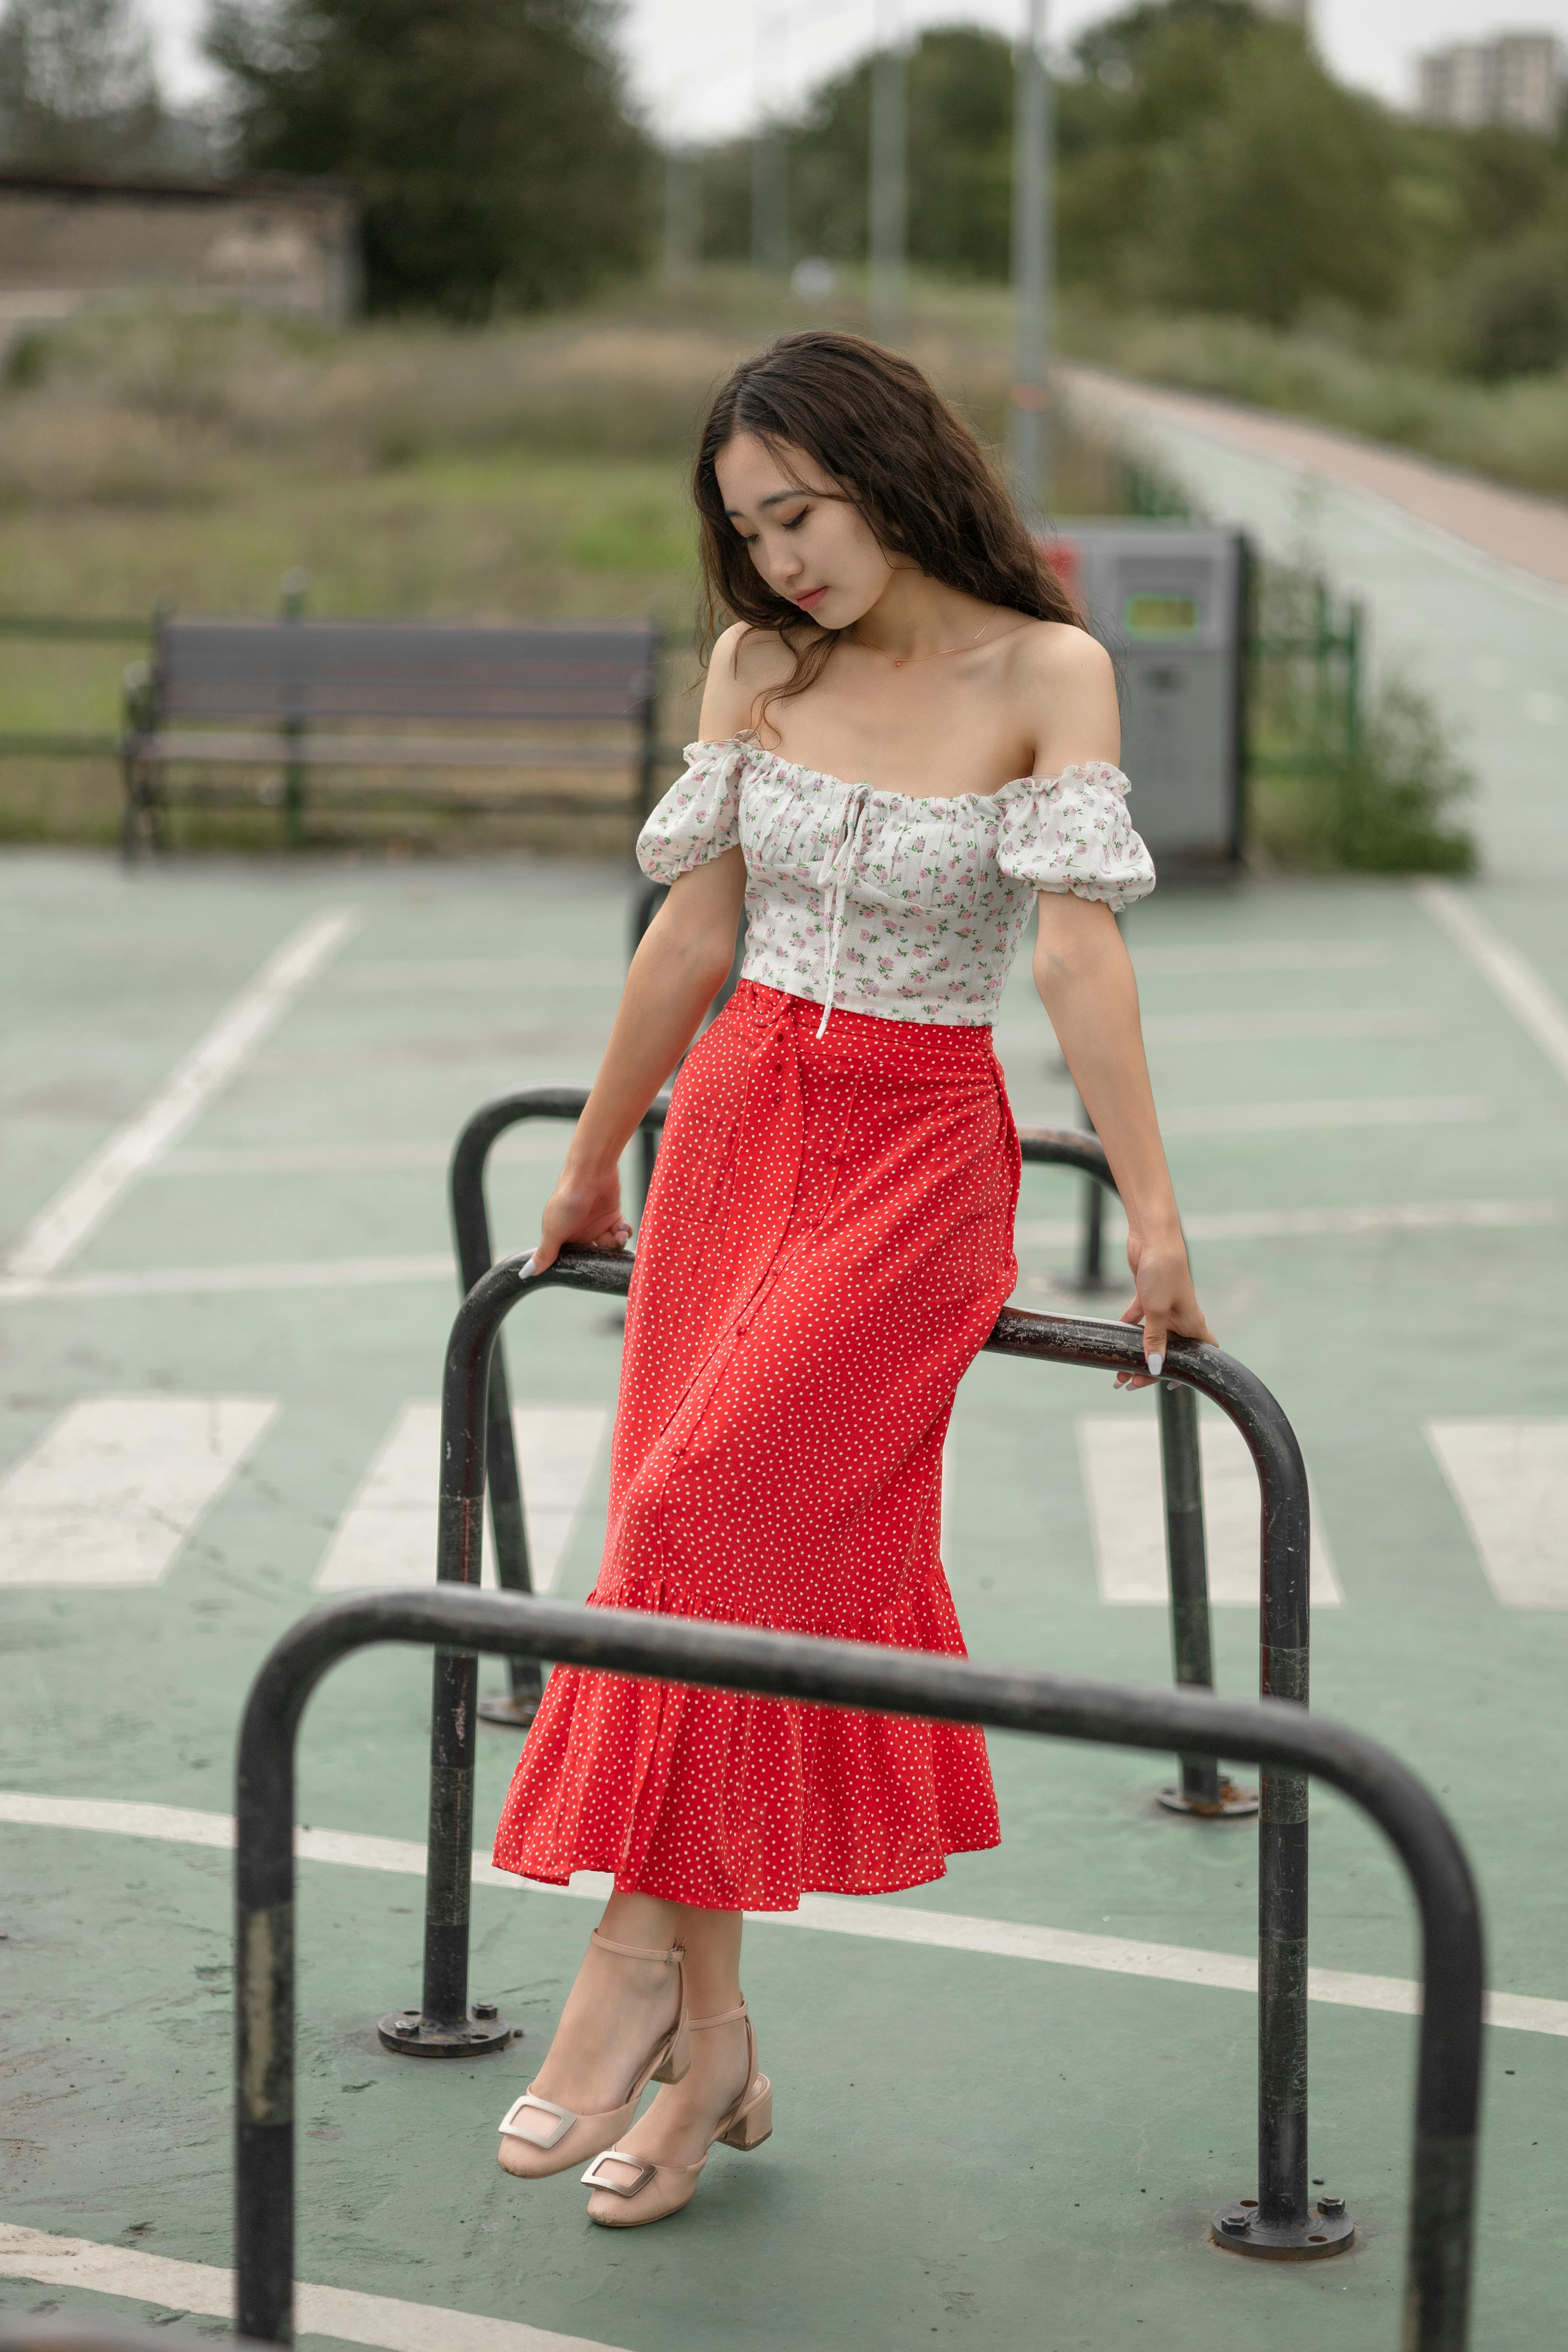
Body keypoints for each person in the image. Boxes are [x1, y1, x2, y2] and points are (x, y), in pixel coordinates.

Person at [488, 330, 1213, 2228]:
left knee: (693, 1507)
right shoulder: (755, 664)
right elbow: (692, 930)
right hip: (730, 1128)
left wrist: (1150, 1214)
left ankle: (633, 1976)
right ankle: (713, 2031)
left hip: (911, 1152)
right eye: (747, 529)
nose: (780, 559)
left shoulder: (1046, 666)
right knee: (700, 1562)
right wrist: (587, 1156)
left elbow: (1070, 961)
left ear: (886, 466)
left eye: (797, 512)